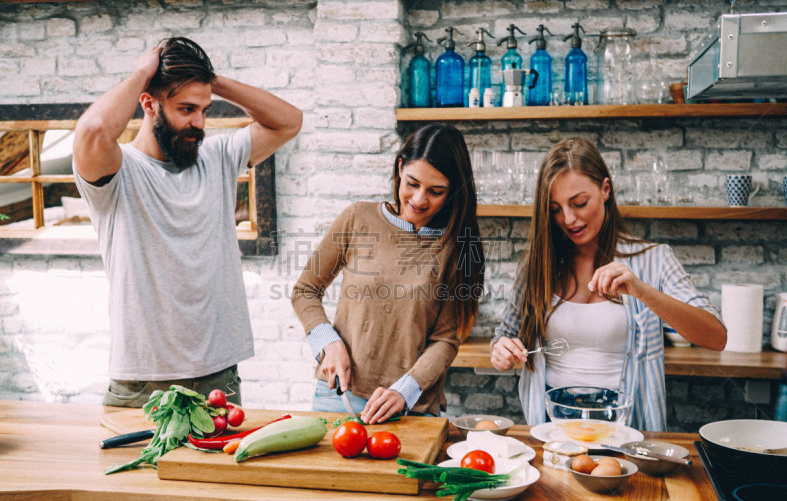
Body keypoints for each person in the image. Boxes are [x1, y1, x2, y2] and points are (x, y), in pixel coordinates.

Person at [73, 37, 302, 407]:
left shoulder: (217, 157)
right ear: (148, 104)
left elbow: (289, 121)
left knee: (218, 467)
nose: (198, 122)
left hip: (218, 375)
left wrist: (212, 80)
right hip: (143, 380)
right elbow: (93, 130)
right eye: (186, 108)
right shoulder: (118, 170)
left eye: (204, 109)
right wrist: (142, 74)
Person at [490, 138, 726, 431]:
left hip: (626, 430)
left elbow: (716, 337)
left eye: (579, 203)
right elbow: (506, 335)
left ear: (605, 189)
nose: (569, 218)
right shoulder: (538, 266)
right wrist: (502, 349)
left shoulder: (654, 259)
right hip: (551, 428)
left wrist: (642, 290)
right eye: (555, 209)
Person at [291, 124, 484, 424]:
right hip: (338, 396)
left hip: (411, 407)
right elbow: (305, 290)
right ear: (399, 167)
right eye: (412, 183)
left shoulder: (456, 245)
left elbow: (446, 340)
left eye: (436, 191)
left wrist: (403, 392)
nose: (419, 199)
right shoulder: (358, 218)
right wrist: (329, 343)